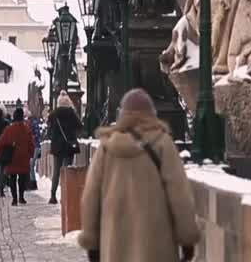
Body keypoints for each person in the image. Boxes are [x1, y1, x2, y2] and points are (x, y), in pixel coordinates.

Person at [78, 89, 199, 262]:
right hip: (157, 247)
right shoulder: (163, 144)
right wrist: (187, 239)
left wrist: (92, 242)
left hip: (114, 248)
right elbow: (179, 194)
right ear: (152, 114)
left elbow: (91, 197)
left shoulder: (106, 148)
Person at [0, 107, 36, 206]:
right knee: (22, 178)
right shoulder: (26, 128)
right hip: (24, 157)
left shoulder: (9, 129)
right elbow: (31, 143)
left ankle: (14, 199)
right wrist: (31, 153)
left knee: (12, 177)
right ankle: (21, 197)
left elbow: (2, 141)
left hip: (12, 157)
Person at [46, 93, 82, 204]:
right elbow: (80, 126)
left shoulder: (54, 114)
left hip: (57, 147)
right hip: (68, 146)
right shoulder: (72, 114)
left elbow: (49, 128)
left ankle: (53, 195)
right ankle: (66, 195)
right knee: (67, 171)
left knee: (56, 171)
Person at [28, 108, 44, 191]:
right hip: (35, 146)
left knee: (31, 165)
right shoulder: (34, 123)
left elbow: (36, 136)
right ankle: (32, 182)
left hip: (34, 147)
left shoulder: (33, 124)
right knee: (31, 165)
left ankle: (32, 182)